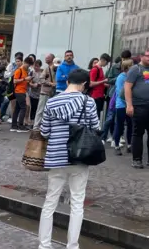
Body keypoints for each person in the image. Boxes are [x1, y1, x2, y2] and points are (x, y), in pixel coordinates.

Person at [38, 69, 100, 249]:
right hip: (79, 157)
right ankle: (72, 246)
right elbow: (95, 127)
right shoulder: (88, 102)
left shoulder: (52, 102)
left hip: (56, 157)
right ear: (84, 85)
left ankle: (44, 245)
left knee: (50, 202)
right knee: (77, 203)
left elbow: (45, 132)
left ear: (67, 83)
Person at [113, 60, 134, 156]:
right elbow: (120, 92)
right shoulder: (121, 77)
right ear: (127, 67)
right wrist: (127, 103)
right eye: (131, 65)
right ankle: (116, 145)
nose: (133, 67)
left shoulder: (132, 77)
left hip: (129, 104)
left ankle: (129, 145)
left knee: (130, 125)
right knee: (119, 125)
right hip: (121, 105)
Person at [33, 54, 56, 131]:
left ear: (52, 59)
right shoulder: (47, 69)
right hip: (46, 92)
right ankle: (36, 126)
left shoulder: (56, 68)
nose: (46, 59)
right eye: (46, 57)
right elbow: (41, 79)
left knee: (46, 110)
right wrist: (50, 83)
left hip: (52, 92)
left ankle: (42, 126)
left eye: (48, 58)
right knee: (41, 110)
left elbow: (41, 79)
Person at [12, 57, 33, 133]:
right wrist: (25, 79)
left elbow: (24, 81)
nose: (28, 66)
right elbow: (15, 81)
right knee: (23, 108)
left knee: (17, 108)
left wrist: (28, 81)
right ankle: (20, 126)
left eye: (29, 65)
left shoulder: (25, 71)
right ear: (24, 62)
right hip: (19, 91)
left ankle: (14, 125)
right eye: (27, 65)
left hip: (22, 91)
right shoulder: (19, 70)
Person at [89, 53, 111, 121]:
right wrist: (103, 81)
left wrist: (105, 84)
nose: (107, 64)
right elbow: (91, 83)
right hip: (95, 96)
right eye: (106, 63)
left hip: (100, 95)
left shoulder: (100, 69)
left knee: (98, 114)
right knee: (95, 115)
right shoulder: (95, 69)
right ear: (103, 60)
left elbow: (98, 82)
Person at [27, 59, 44, 128]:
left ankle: (38, 123)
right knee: (33, 107)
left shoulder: (42, 72)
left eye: (37, 66)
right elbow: (28, 81)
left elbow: (44, 81)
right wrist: (31, 84)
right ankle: (31, 121)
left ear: (40, 66)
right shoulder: (31, 72)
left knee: (39, 108)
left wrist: (38, 84)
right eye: (35, 66)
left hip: (40, 93)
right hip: (33, 93)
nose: (35, 67)